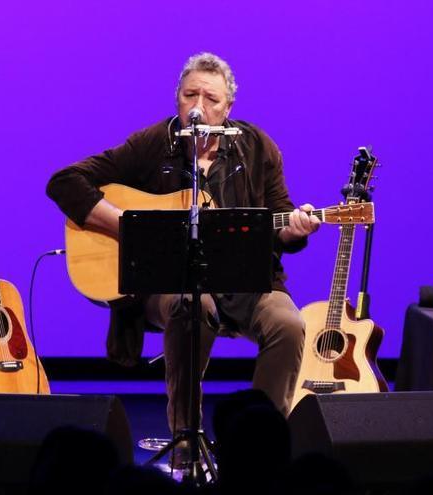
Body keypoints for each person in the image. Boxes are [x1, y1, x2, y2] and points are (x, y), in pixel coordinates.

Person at [47, 52, 320, 435]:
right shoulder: (154, 144)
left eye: (211, 100)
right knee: (192, 304)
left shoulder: (258, 147)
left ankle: (260, 442)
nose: (199, 107)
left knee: (288, 324)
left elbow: (278, 219)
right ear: (177, 97)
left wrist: (294, 229)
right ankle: (185, 440)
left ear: (229, 108)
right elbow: (65, 182)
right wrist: (129, 226)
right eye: (190, 95)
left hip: (246, 284)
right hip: (169, 285)